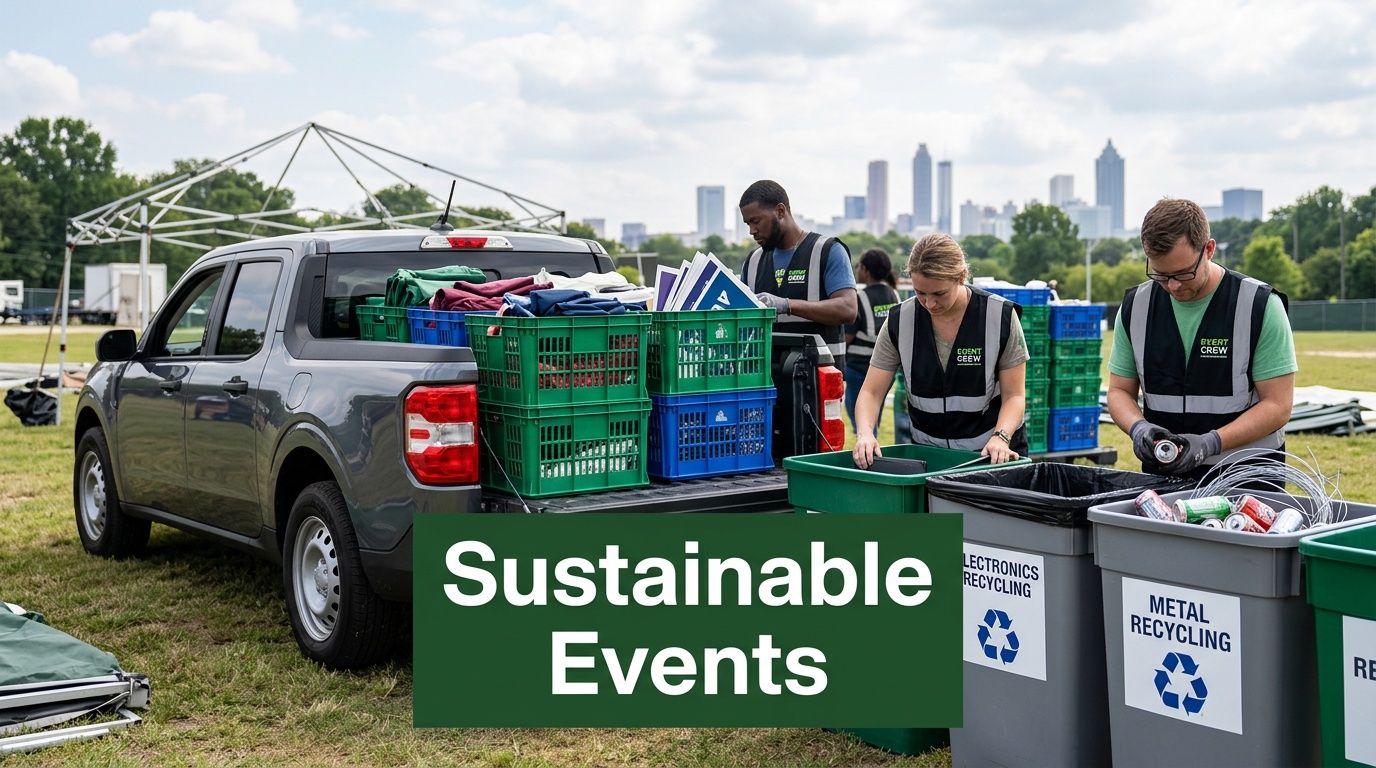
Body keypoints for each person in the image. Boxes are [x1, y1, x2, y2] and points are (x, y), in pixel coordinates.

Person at [1107, 198, 1295, 478]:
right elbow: (1119, 391)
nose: (1172, 285)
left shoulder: (1258, 305)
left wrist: (1211, 443)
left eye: (1184, 273)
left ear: (1208, 249)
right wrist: (1138, 427)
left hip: (1248, 480)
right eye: (1160, 274)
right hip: (1165, 476)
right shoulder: (1137, 306)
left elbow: (1278, 406)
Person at [852, 234, 1028, 467]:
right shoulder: (899, 321)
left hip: (990, 457)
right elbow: (871, 392)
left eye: (939, 294)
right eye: (920, 293)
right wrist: (865, 433)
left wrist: (1001, 437)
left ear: (961, 277)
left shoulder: (1000, 317)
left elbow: (1014, 395)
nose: (929, 304)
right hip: (929, 459)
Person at [738, 180, 857, 362]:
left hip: (818, 378)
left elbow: (848, 309)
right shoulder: (753, 261)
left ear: (780, 211)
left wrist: (787, 305)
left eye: (756, 221)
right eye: (748, 224)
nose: (752, 231)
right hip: (766, 379)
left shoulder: (827, 250)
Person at [844, 248, 901, 435]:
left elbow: (848, 336)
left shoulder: (860, 298)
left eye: (859, 267)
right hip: (887, 368)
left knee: (861, 421)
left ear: (866, 270)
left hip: (858, 367)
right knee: (873, 416)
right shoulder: (895, 295)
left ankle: (868, 455)